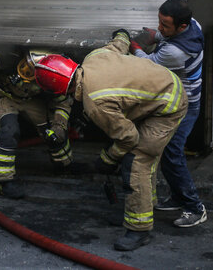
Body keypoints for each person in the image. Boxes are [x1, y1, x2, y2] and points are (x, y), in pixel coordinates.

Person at [34, 30, 188, 251]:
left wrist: (107, 159)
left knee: (136, 162)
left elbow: (129, 137)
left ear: (60, 89)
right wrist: (122, 33)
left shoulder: (94, 102)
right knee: (142, 158)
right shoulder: (93, 57)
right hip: (163, 88)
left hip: (167, 108)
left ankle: (139, 228)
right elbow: (119, 44)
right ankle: (143, 206)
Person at [0, 49, 87, 199]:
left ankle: (64, 164)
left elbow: (62, 104)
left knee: (52, 130)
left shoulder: (57, 78)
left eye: (30, 73)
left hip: (29, 99)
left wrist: (60, 125)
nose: (25, 73)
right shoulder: (8, 58)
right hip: (2, 94)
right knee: (9, 130)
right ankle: (4, 181)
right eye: (25, 69)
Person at [130, 0, 207, 228]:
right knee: (168, 153)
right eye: (159, 22)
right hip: (179, 100)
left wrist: (134, 46)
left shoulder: (175, 52)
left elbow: (148, 63)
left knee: (172, 153)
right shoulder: (194, 23)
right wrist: (156, 34)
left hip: (185, 104)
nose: (161, 28)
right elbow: (164, 36)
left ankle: (195, 207)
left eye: (165, 25)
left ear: (181, 27)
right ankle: (177, 196)